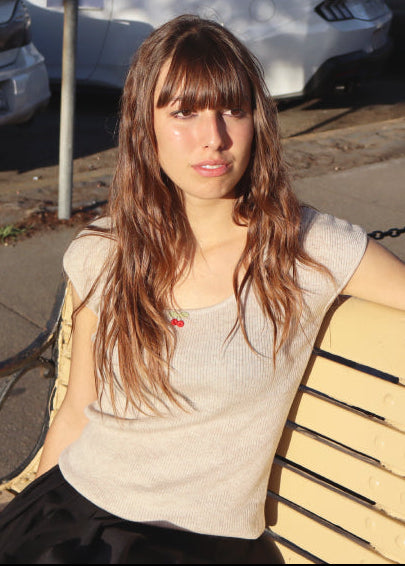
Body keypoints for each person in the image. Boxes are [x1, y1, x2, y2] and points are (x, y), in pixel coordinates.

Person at [0, 13, 404, 565]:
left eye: (232, 110)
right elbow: (76, 408)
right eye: (184, 113)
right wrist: (30, 518)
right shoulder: (105, 250)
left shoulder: (305, 247)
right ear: (147, 126)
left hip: (194, 545)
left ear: (256, 121)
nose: (212, 139)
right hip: (72, 506)